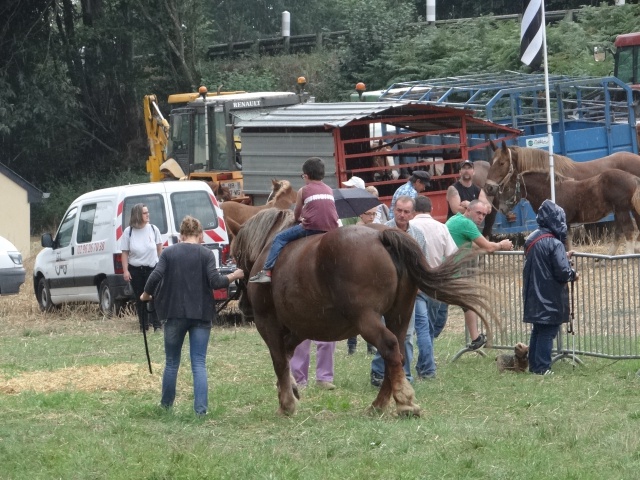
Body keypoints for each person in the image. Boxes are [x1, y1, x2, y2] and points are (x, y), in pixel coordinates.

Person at [141, 216, 244, 415]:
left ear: (181, 235)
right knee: (198, 363)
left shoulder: (169, 252)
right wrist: (235, 276)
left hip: (174, 313)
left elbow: (155, 276)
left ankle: (166, 407)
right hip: (201, 314)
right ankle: (200, 411)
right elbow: (216, 282)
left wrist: (146, 295)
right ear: (200, 235)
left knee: (172, 362)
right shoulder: (206, 254)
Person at [250, 157, 339, 283]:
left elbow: (297, 212)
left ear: (306, 176)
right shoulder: (329, 190)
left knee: (279, 238)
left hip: (311, 227)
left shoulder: (303, 190)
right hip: (331, 228)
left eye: (303, 176)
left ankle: (266, 271)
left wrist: (299, 219)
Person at [370, 195, 428, 386]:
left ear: (412, 214)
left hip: (407, 292)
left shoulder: (418, 235)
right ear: (393, 209)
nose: (402, 215)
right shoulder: (381, 231)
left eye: (406, 212)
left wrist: (417, 286)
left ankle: (405, 375)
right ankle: (379, 372)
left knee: (406, 335)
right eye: (399, 210)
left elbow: (422, 263)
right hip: (383, 292)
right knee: (383, 333)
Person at [445, 199, 513, 350]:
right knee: (435, 321)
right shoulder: (466, 224)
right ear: (468, 210)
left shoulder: (455, 219)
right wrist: (502, 245)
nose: (481, 217)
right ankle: (475, 337)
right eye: (478, 213)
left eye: (483, 214)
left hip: (448, 271)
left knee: (468, 302)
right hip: (453, 274)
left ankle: (476, 338)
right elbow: (488, 247)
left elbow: (474, 244)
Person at [523, 200, 578, 375]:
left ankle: (534, 366)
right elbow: (562, 272)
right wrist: (573, 274)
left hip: (533, 293)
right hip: (549, 295)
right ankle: (543, 367)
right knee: (548, 331)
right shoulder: (554, 243)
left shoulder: (532, 238)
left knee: (538, 330)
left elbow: (544, 259)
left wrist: (563, 255)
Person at [410, 195, 458, 378]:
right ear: (430, 209)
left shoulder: (411, 227)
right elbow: (452, 254)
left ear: (414, 210)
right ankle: (425, 366)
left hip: (417, 282)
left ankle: (427, 367)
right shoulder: (441, 228)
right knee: (428, 326)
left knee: (423, 327)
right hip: (436, 282)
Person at [121, 203, 163, 332]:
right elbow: (125, 253)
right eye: (145, 213)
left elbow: (159, 248)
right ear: (138, 215)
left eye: (148, 212)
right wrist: (125, 270)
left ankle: (157, 325)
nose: (148, 214)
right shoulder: (129, 232)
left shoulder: (153, 229)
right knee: (140, 298)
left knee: (155, 296)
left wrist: (161, 266)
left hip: (152, 268)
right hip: (136, 269)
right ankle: (143, 326)